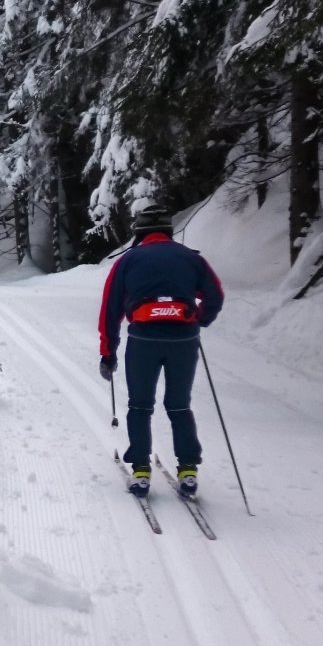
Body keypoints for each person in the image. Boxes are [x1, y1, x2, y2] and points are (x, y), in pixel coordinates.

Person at [97, 207, 224, 498]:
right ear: (168, 230)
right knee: (179, 405)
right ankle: (188, 470)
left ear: (139, 232)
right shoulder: (191, 258)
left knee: (140, 406)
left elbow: (110, 309)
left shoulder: (128, 260)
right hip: (184, 340)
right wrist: (199, 319)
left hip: (144, 340)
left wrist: (108, 353)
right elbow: (215, 295)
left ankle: (141, 471)